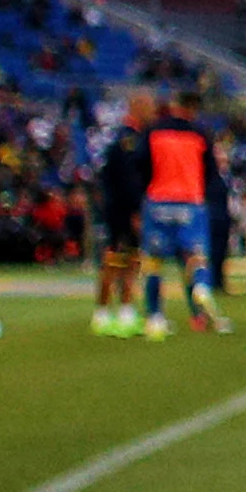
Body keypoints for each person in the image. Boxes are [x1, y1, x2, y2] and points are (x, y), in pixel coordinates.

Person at [137, 94, 225, 335]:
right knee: (194, 256)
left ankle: (155, 316)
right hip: (190, 202)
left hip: (158, 202)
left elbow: (141, 165)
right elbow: (211, 172)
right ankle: (201, 294)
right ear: (193, 109)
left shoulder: (153, 131)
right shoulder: (199, 134)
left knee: (154, 262)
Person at [90, 97, 154, 336]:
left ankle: (124, 311)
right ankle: (104, 313)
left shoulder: (126, 137)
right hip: (122, 209)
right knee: (116, 260)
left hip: (118, 207)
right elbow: (129, 180)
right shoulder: (130, 140)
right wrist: (136, 211)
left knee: (130, 260)